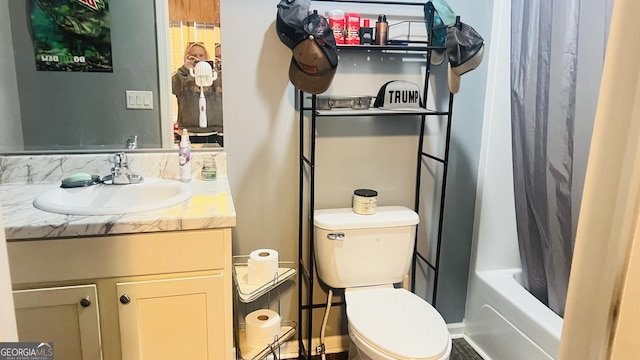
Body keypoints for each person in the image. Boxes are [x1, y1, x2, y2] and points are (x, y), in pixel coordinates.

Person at [172, 41, 223, 146]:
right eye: (193, 56)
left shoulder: (214, 76)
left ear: (207, 58)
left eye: (201, 55)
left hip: (217, 132)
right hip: (190, 133)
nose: (198, 59)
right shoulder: (183, 77)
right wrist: (185, 69)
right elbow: (173, 88)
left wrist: (219, 70)